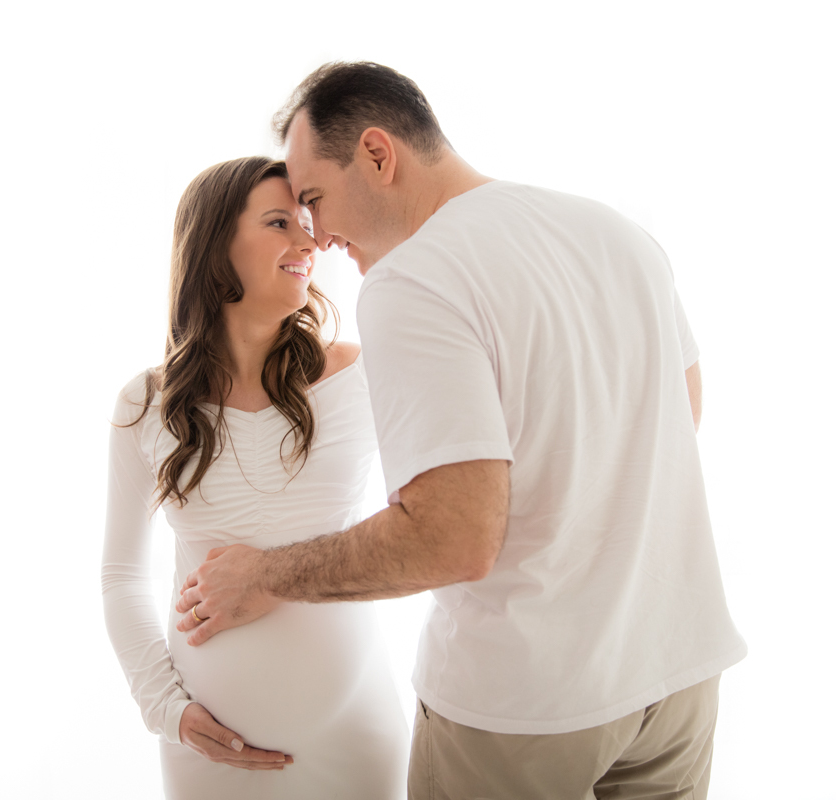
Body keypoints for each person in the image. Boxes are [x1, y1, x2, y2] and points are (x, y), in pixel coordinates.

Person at [174, 62, 747, 799]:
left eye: (313, 197)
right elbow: (680, 412)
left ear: (379, 155)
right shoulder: (614, 231)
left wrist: (263, 575)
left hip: (527, 705)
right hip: (677, 677)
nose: (317, 233)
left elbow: (448, 539)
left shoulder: (413, 280)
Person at [102, 155, 409, 800]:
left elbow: (428, 523)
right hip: (209, 758)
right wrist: (166, 711)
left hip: (356, 736)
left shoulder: (364, 374)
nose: (309, 242)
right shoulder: (144, 406)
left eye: (307, 222)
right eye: (279, 223)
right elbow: (122, 576)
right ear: (216, 247)